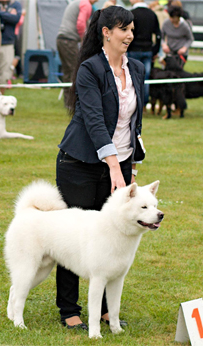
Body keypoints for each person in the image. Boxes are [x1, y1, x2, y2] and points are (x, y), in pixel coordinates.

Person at [56, 6, 145, 329]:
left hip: (119, 163)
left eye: (132, 29)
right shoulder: (90, 69)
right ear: (106, 32)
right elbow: (94, 122)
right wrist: (113, 167)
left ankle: (107, 309)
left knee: (110, 238)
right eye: (124, 29)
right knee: (75, 238)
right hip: (80, 163)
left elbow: (134, 123)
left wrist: (130, 166)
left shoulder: (136, 68)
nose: (131, 36)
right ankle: (69, 309)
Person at [56, 0, 98, 109]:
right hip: (69, 40)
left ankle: (69, 103)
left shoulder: (78, 2)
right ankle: (73, 103)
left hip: (61, 39)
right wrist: (84, 41)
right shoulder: (86, 4)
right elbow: (80, 23)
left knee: (68, 72)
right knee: (75, 71)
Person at [127, 0, 161, 111]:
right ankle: (144, 104)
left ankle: (133, 103)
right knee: (145, 78)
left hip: (134, 50)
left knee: (132, 78)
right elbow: (158, 35)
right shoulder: (152, 14)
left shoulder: (131, 14)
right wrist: (155, 50)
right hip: (147, 50)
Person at [0, 0, 22, 94]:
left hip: (8, 43)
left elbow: (16, 19)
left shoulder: (16, 4)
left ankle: (1, 98)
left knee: (5, 74)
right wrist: (8, 14)